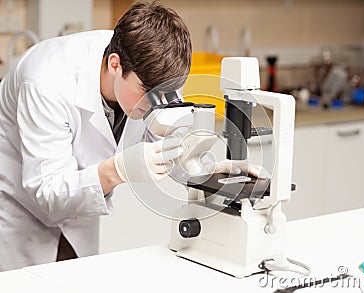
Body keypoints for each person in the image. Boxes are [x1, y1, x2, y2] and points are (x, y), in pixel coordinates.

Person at [0, 1, 266, 272]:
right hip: (20, 211)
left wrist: (206, 167)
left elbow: (168, 140)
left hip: (78, 214)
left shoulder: (154, 72)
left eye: (165, 94)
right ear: (115, 65)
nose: (156, 105)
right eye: (147, 92)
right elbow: (47, 189)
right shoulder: (46, 82)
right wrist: (117, 170)